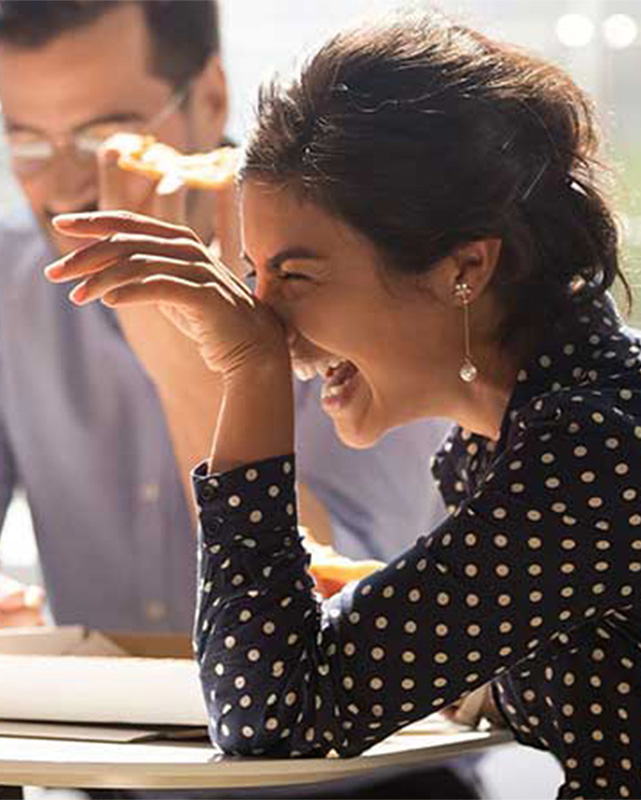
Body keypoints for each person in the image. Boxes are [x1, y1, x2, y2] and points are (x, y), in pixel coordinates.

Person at [49, 11, 641, 800]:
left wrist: (249, 370)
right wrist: (376, 605)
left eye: (295, 277)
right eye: (251, 272)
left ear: (464, 268)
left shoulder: (606, 446)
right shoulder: (531, 431)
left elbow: (273, 718)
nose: (264, 316)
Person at [0, 3, 479, 798]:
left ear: (210, 99)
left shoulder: (364, 271)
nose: (66, 187)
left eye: (103, 138)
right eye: (24, 140)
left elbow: (344, 618)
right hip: (111, 775)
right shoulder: (12, 286)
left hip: (360, 779)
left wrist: (190, 367)